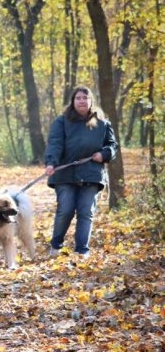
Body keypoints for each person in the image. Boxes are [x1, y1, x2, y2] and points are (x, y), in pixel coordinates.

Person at [44, 85, 118, 258]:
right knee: (66, 209)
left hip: (92, 173)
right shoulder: (61, 121)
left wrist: (104, 154)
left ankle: (82, 250)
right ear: (73, 102)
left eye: (85, 97)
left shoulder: (103, 124)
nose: (82, 101)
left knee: (86, 211)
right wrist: (51, 162)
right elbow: (55, 143)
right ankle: (56, 245)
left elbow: (112, 145)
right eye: (78, 98)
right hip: (65, 174)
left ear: (91, 101)